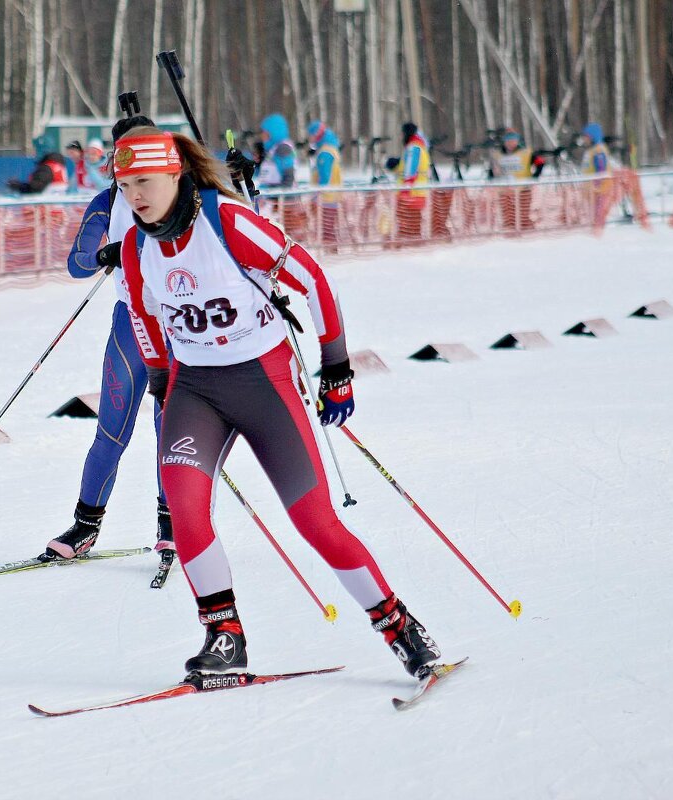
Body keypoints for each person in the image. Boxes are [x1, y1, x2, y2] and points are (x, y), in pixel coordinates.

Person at [112, 125, 444, 680]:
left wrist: (335, 366)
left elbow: (314, 281)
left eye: (144, 182)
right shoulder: (133, 246)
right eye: (125, 187)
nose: (135, 197)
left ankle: (398, 626)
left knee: (314, 519)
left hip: (264, 384)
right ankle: (224, 637)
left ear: (175, 174)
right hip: (195, 390)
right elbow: (143, 316)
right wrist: (158, 374)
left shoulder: (229, 223)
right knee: (185, 510)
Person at [42, 113, 173, 562]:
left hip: (178, 325)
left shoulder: (178, 191)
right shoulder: (107, 201)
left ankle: (172, 523)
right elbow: (78, 263)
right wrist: (106, 252)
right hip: (132, 325)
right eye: (121, 157)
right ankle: (84, 526)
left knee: (169, 428)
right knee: (111, 430)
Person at [487, 127, 540, 231]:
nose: (511, 142)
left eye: (513, 139)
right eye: (508, 140)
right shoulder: (497, 154)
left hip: (523, 189)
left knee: (523, 217)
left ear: (517, 140)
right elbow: (492, 169)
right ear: (505, 141)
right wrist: (492, 177)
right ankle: (510, 239)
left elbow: (540, 163)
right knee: (508, 219)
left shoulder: (526, 152)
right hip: (505, 191)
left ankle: (527, 238)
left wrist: (534, 177)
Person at [386, 121, 430, 242]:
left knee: (407, 225)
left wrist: (405, 191)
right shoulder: (420, 147)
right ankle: (414, 245)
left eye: (402, 133)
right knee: (414, 224)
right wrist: (397, 163)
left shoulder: (413, 147)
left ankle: (409, 247)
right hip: (418, 193)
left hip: (410, 194)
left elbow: (410, 172)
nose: (401, 136)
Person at [306, 120, 342, 248]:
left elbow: (324, 177)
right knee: (329, 228)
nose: (309, 138)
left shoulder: (325, 153)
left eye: (310, 135)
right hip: (333, 196)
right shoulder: (332, 149)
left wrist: (317, 196)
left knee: (326, 230)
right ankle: (331, 250)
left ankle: (330, 252)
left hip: (326, 198)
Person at [255, 113, 296, 188]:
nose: (262, 136)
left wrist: (277, 194)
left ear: (273, 133)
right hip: (269, 194)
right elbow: (264, 175)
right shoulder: (272, 150)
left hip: (280, 197)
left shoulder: (283, 149)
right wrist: (258, 163)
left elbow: (288, 178)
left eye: (265, 133)